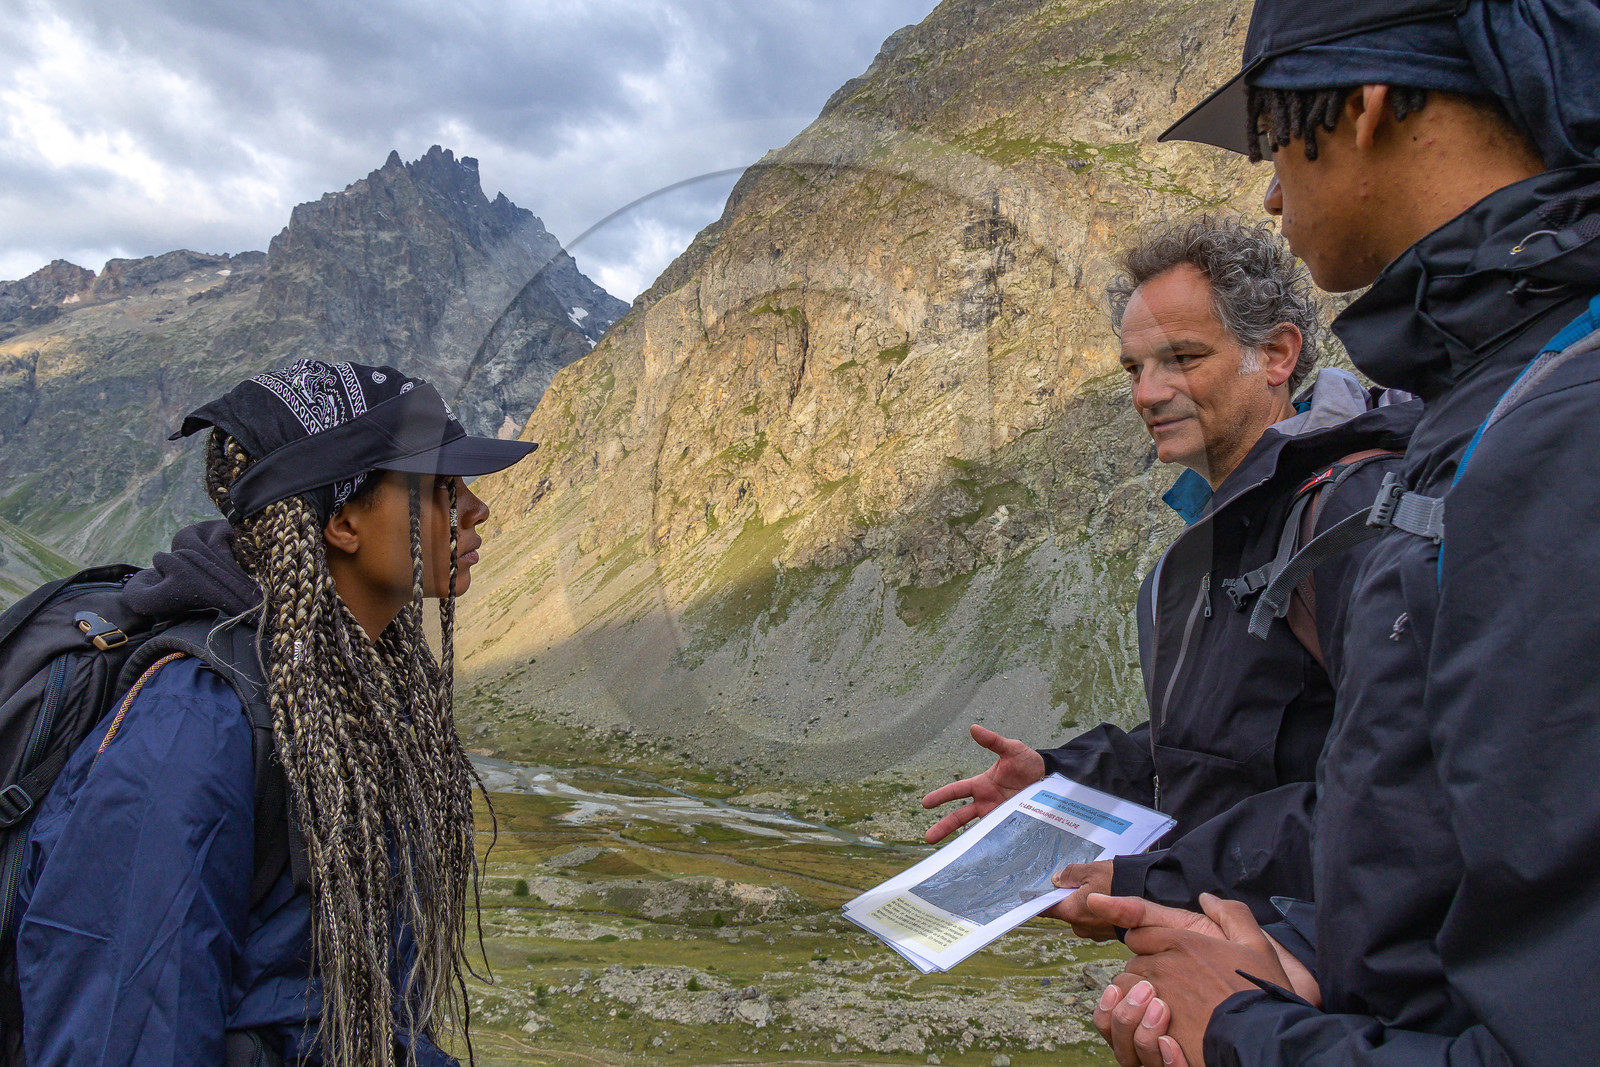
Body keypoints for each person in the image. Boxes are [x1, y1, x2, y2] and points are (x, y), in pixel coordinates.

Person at [1083, 2, 1600, 1065]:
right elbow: (1444, 855)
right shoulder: (1490, 397)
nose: (1271, 190)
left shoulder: (1554, 428)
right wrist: (1308, 970)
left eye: (1275, 140)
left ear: (1363, 109)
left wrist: (1246, 1027)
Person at [14, 359, 535, 1066]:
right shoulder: (195, 726)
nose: (477, 509)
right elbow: (125, 1029)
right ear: (343, 521)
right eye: (441, 487)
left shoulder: (358, 687)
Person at [922, 218, 1416, 935]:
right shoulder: (1196, 549)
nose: (1146, 394)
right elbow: (1209, 751)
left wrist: (1158, 880)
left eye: (1180, 358)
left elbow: (1389, 799)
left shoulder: (1353, 518)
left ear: (1276, 353)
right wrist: (1060, 777)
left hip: (1334, 990)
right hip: (1244, 985)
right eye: (1133, 368)